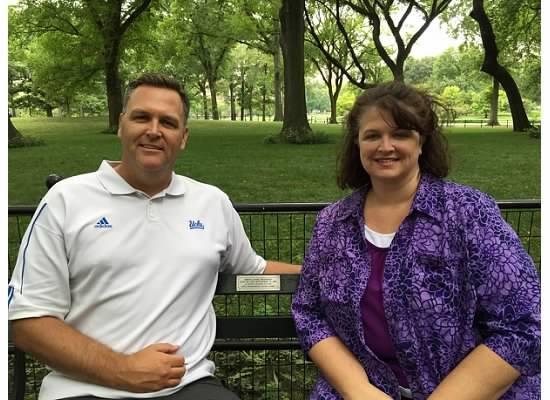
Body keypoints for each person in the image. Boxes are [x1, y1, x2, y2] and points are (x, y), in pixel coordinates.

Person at [8, 72, 300, 400]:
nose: (153, 131)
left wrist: (329, 273)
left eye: (168, 122)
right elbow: (28, 321)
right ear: (121, 125)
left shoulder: (211, 203)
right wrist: (123, 370)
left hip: (188, 386)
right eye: (142, 117)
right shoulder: (66, 200)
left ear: (184, 136)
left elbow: (254, 269)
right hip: (82, 389)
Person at [291, 81, 540, 400]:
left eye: (400, 134)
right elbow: (309, 313)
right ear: (357, 144)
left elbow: (524, 324)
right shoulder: (333, 224)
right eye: (372, 135)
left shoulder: (469, 214)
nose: (385, 146)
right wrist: (357, 389)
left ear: (422, 142)